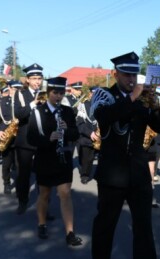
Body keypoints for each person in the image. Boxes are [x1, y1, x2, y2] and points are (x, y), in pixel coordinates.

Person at [90, 51, 160, 259]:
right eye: (126, 74)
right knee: (106, 222)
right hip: (112, 173)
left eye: (134, 74)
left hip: (138, 174)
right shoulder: (103, 95)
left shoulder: (144, 98)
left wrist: (156, 106)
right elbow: (103, 118)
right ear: (116, 74)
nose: (131, 79)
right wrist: (134, 98)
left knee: (144, 230)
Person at [27, 76, 82, 246]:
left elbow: (75, 134)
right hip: (45, 159)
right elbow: (31, 138)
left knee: (65, 194)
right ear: (48, 92)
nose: (58, 96)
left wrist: (67, 130)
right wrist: (48, 139)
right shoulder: (37, 112)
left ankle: (70, 232)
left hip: (63, 159)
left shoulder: (67, 111)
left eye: (61, 93)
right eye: (55, 93)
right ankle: (42, 224)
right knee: (45, 194)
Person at [14, 63, 44, 214]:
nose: (37, 81)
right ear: (27, 79)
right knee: (24, 174)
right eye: (34, 78)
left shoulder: (45, 94)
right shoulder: (20, 94)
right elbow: (19, 114)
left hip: (41, 141)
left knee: (43, 176)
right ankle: (22, 201)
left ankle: (43, 206)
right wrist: (33, 103)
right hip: (25, 141)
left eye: (39, 78)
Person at [0, 84, 16, 194]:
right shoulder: (0, 103)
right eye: (13, 88)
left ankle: (21, 185)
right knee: (7, 163)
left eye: (17, 88)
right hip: (6, 135)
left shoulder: (23, 102)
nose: (14, 90)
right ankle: (6, 183)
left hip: (20, 137)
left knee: (21, 163)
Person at [75, 86, 98, 184]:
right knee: (85, 158)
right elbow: (80, 123)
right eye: (94, 93)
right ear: (90, 94)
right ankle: (84, 174)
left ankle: (90, 174)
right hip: (86, 137)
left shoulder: (103, 106)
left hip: (99, 137)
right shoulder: (83, 106)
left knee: (92, 158)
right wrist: (90, 133)